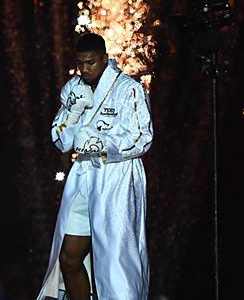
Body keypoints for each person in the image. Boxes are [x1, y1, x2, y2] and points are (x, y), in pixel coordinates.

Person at [37, 32, 152, 300]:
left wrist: (103, 144)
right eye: (80, 63)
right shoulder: (73, 88)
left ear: (105, 59)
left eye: (91, 63)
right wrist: (73, 112)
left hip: (116, 179)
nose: (85, 69)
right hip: (84, 177)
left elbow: (142, 137)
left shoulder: (129, 89)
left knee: (115, 261)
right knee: (68, 258)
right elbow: (61, 140)